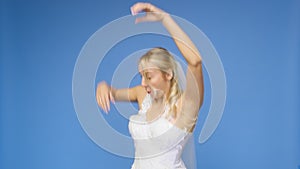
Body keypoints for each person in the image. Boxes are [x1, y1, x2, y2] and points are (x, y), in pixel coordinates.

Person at [96, 2, 204, 169]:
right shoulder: (142, 95)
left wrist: (165, 19)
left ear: (168, 74)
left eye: (149, 76)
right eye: (141, 76)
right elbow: (113, 92)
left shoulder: (185, 105)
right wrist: (103, 86)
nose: (142, 83)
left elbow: (195, 61)